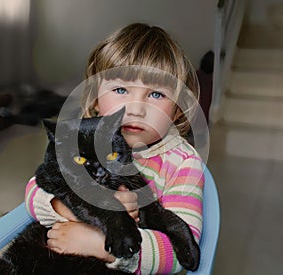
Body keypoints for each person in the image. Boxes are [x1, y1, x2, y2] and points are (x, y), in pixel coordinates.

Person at [25, 23, 205, 274]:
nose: (136, 108)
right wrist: (73, 211)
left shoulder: (183, 163)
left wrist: (100, 244)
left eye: (156, 95)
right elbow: (35, 189)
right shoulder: (81, 140)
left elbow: (180, 256)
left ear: (177, 109)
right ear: (96, 100)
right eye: (121, 90)